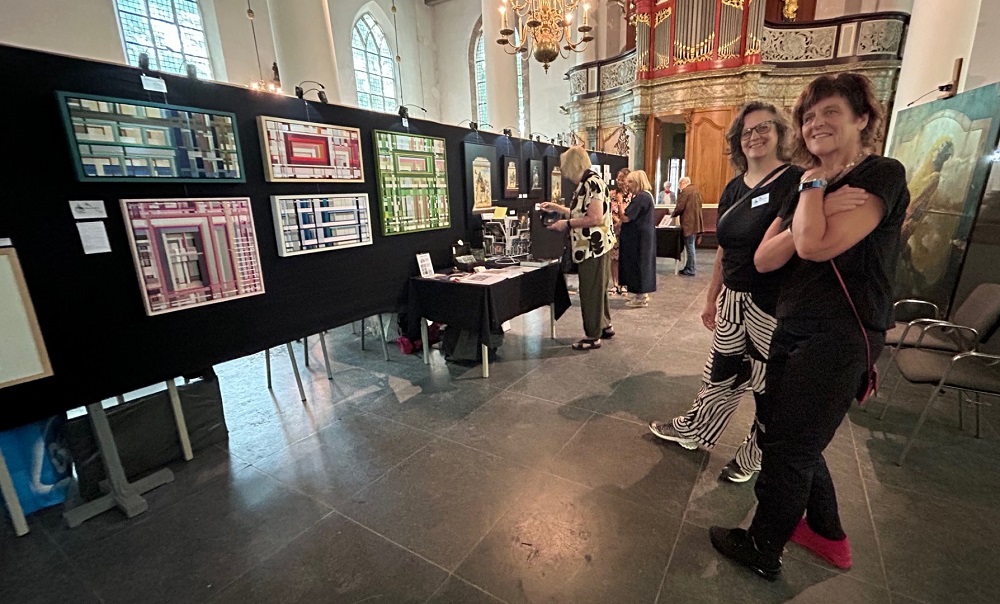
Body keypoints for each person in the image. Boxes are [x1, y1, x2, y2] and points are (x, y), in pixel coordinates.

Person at [709, 73, 909, 581]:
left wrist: (812, 197)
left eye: (831, 112)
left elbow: (815, 246)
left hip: (840, 334)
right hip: (793, 323)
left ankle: (763, 546)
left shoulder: (881, 174)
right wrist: (814, 198)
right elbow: (765, 257)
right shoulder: (806, 182)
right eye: (810, 116)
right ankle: (825, 532)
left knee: (790, 448)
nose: (816, 123)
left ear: (862, 118)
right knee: (790, 434)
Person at [648, 102, 806, 482]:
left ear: (780, 132)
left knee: (767, 386)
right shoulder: (734, 187)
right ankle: (695, 430)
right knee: (721, 374)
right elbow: (723, 249)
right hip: (733, 298)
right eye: (746, 131)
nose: (754, 136)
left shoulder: (795, 180)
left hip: (772, 304)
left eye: (763, 128)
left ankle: (755, 455)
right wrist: (711, 298)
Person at [541, 147, 616, 350]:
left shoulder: (592, 183)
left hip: (593, 247)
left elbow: (595, 218)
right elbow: (581, 212)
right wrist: (557, 208)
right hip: (595, 246)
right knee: (598, 289)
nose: (564, 173)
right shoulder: (589, 182)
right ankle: (604, 325)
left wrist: (566, 224)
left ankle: (592, 336)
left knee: (590, 291)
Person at [618, 170, 657, 307]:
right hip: (643, 237)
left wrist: (620, 204)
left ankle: (640, 296)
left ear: (637, 182)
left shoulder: (641, 197)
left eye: (630, 182)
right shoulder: (647, 196)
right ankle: (642, 294)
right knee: (643, 264)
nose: (627, 184)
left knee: (638, 265)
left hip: (638, 239)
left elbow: (626, 217)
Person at [673, 176, 704, 276]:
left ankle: (691, 269)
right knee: (691, 246)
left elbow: (680, 206)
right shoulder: (696, 191)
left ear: (683, 183)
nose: (679, 187)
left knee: (690, 247)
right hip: (696, 223)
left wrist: (672, 215)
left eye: (679, 184)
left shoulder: (686, 191)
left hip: (688, 223)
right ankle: (688, 266)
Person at [610, 167, 632, 295]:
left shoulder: (632, 196)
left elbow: (630, 214)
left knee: (625, 258)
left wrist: (621, 222)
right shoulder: (611, 194)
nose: (619, 182)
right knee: (614, 258)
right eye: (618, 179)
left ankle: (624, 284)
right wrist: (616, 222)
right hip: (615, 230)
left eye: (622, 179)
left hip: (628, 230)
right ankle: (615, 284)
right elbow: (607, 211)